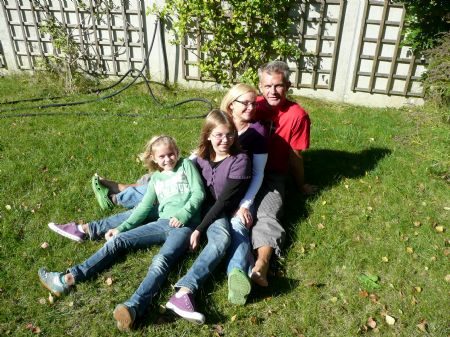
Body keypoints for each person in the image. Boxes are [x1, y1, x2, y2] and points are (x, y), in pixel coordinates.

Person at [38, 135, 205, 331]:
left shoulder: (186, 166)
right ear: (153, 158)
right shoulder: (156, 180)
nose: (168, 159)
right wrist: (120, 228)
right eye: (162, 157)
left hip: (184, 227)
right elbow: (143, 208)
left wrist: (184, 214)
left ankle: (133, 308)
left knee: (161, 261)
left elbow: (198, 193)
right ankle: (67, 279)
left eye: (171, 154)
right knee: (118, 241)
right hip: (161, 223)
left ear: (177, 152)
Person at [165, 109, 251, 324]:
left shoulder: (240, 160)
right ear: (208, 136)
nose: (225, 140)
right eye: (219, 135)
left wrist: (199, 229)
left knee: (222, 239)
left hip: (216, 210)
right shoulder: (201, 157)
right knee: (157, 188)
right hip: (194, 203)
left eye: (230, 134)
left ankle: (184, 291)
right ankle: (113, 205)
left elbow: (222, 202)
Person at [250, 60, 315, 287]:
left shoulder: (297, 115)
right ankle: (139, 188)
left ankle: (262, 265)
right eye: (267, 86)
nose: (272, 91)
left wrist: (300, 185)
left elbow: (294, 156)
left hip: (272, 176)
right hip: (245, 169)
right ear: (260, 86)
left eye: (278, 86)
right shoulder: (252, 106)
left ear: (287, 85)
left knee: (268, 214)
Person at [219, 83, 268, 305]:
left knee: (238, 224)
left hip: (241, 192)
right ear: (231, 105)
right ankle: (119, 194)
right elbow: (204, 150)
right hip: (216, 184)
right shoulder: (221, 123)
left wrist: (245, 204)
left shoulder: (257, 133)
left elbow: (258, 174)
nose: (251, 107)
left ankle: (238, 274)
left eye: (253, 103)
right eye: (245, 103)